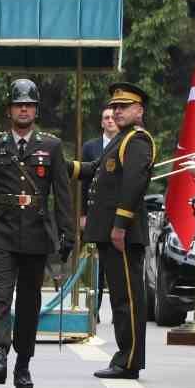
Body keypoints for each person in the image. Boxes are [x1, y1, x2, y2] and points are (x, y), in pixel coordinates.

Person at [0, 78, 75, 388]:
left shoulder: (51, 146)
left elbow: (62, 193)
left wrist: (67, 233)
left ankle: (23, 363)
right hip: (2, 230)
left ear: (36, 110)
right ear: (9, 110)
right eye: (19, 104)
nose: (24, 109)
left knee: (29, 303)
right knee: (1, 297)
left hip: (36, 234)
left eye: (29, 104)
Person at [81, 81, 154, 380]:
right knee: (120, 297)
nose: (117, 111)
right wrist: (57, 163)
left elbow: (133, 185)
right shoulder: (119, 139)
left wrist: (120, 226)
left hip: (121, 233)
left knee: (128, 299)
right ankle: (125, 357)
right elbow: (94, 170)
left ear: (139, 110)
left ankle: (129, 360)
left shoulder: (137, 140)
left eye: (124, 107)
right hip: (111, 232)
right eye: (115, 106)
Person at [78, 107, 119, 311]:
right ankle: (93, 311)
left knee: (116, 266)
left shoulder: (125, 144)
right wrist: (82, 214)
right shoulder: (90, 147)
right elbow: (84, 184)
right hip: (94, 214)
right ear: (102, 123)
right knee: (96, 265)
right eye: (106, 118)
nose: (110, 120)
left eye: (113, 117)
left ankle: (118, 311)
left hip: (117, 214)